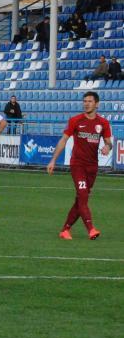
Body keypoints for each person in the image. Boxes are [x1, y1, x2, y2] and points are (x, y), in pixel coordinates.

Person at [47, 92, 112, 240]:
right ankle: (91, 229)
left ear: (97, 104)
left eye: (90, 101)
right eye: (85, 101)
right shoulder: (75, 120)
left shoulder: (103, 123)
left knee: (80, 200)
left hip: (92, 167)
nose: (86, 104)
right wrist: (53, 160)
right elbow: (63, 140)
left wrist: (107, 147)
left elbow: (109, 142)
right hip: (78, 165)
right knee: (83, 196)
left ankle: (65, 230)